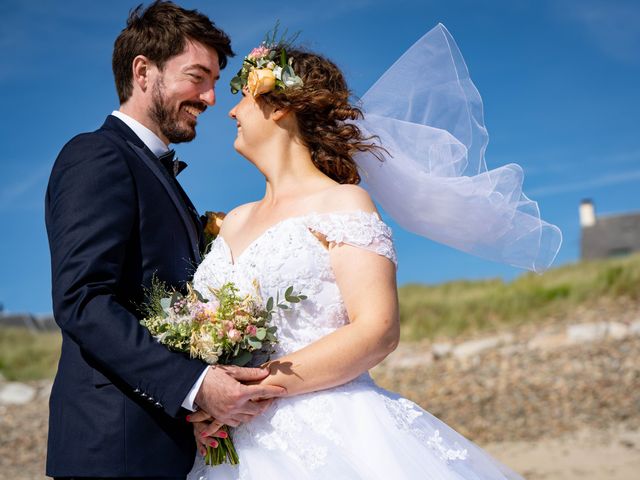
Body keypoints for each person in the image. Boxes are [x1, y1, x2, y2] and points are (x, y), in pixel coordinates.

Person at [185, 25, 561, 479]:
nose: (231, 111)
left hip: (327, 431)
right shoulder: (234, 220)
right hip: (226, 440)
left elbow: (377, 329)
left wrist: (251, 389)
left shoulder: (343, 204)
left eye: (243, 96)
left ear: (280, 104)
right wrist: (208, 392)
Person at [45, 2, 286, 479]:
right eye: (198, 77)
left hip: (169, 446)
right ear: (143, 72)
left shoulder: (161, 175)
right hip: (115, 449)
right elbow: (82, 300)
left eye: (215, 82)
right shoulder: (96, 156)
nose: (212, 98)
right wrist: (195, 384)